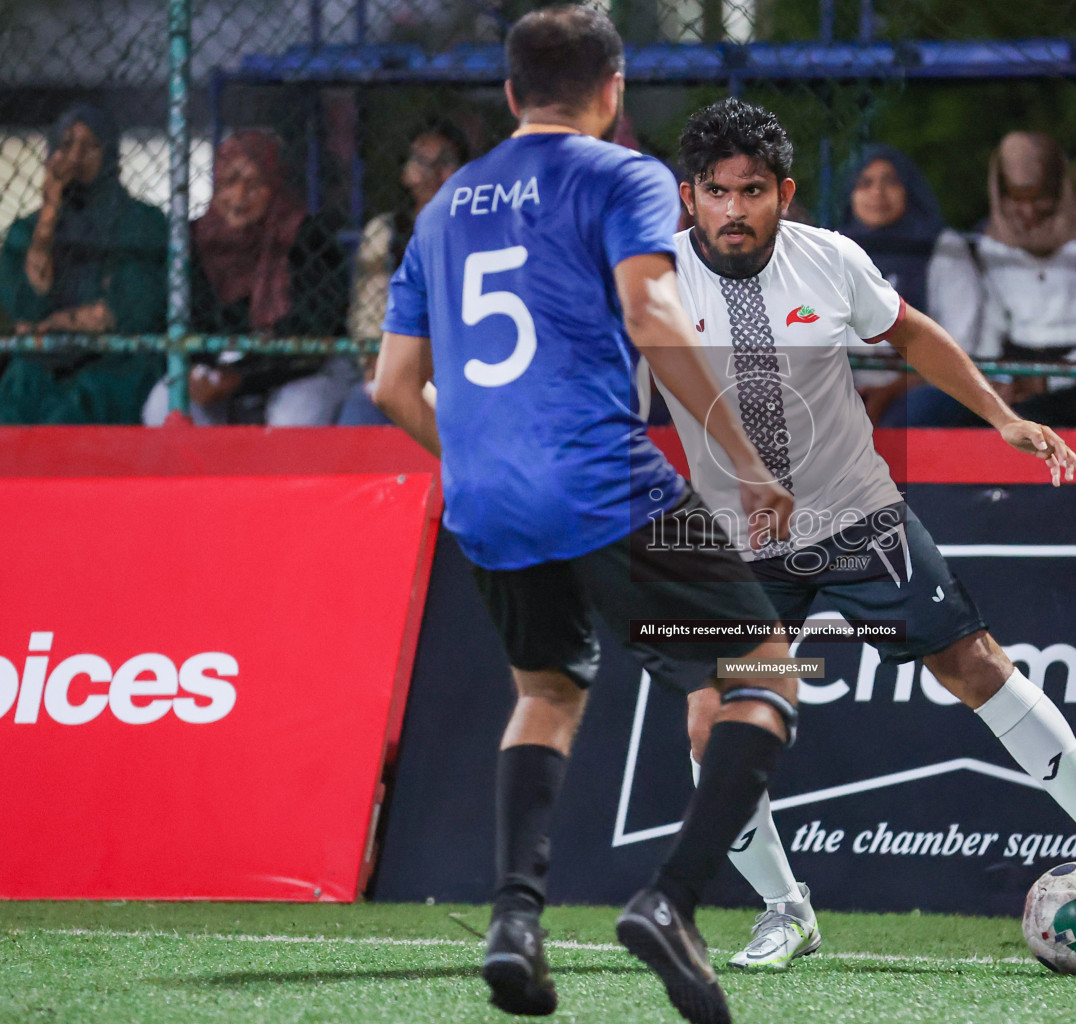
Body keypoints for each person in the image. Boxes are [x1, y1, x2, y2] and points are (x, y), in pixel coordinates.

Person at [657, 99, 1076, 971]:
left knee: (974, 664)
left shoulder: (831, 260)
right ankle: (785, 910)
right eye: (717, 192)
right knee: (713, 720)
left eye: (753, 190)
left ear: (783, 193)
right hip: (734, 538)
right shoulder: (654, 283)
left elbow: (912, 334)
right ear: (690, 198)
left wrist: (1002, 417)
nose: (735, 209)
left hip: (857, 514)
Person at [372, 9, 799, 1023]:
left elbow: (393, 385)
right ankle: (674, 900)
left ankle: (515, 920)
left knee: (548, 691)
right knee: (767, 668)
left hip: (485, 502)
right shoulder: (622, 175)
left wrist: (479, 457)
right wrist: (746, 462)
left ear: (511, 93)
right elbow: (651, 318)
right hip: (606, 482)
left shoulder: (441, 210)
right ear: (613, 91)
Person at [140, 129, 354, 426]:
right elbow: (184, 323)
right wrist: (205, 371)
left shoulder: (306, 235)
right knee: (165, 405)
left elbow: (313, 334)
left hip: (302, 368)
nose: (239, 195)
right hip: (222, 368)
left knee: (293, 417)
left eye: (255, 184)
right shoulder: (196, 239)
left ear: (275, 185)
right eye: (230, 182)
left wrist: (243, 377)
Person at [0, 104, 167, 423]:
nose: (75, 157)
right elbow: (26, 309)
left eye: (89, 147)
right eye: (65, 146)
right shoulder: (27, 231)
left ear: (110, 155)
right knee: (20, 392)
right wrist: (49, 216)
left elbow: (129, 312)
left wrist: (55, 324)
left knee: (77, 407)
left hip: (118, 359)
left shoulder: (143, 223)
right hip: (44, 361)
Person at [955, 131, 1076, 427]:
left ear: (1058, 187)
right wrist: (992, 381)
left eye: (1039, 198)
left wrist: (1050, 380)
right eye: (1016, 198)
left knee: (1024, 428)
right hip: (1015, 367)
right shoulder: (994, 241)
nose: (1027, 212)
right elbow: (993, 323)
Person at [337, 120, 471, 425]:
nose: (431, 172)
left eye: (445, 162)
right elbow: (367, 314)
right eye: (420, 161)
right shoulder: (385, 232)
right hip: (399, 358)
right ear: (404, 173)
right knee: (362, 407)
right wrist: (376, 360)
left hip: (458, 362)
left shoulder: (475, 230)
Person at [838, 145, 980, 427]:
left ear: (909, 188)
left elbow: (961, 340)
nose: (877, 193)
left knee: (907, 420)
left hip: (922, 385)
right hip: (845, 385)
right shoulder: (831, 248)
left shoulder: (941, 246)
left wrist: (891, 390)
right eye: (865, 183)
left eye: (890, 181)